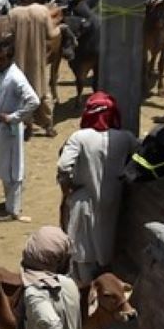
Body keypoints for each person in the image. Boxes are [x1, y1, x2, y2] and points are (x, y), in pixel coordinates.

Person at [56, 92, 135, 283]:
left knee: (82, 252)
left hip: (83, 200)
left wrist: (69, 187)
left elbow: (63, 167)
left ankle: (83, 293)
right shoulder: (125, 138)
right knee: (105, 248)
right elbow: (140, 155)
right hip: (112, 202)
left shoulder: (79, 137)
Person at [0, 38, 41, 219]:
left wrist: (13, 118)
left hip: (10, 130)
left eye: (1, 59)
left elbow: (34, 100)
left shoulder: (15, 77)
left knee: (14, 169)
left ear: (10, 59)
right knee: (4, 167)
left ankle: (13, 210)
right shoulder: (1, 74)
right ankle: (8, 202)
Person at [3, 0, 57, 137]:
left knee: (22, 95)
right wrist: (60, 28)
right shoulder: (42, 11)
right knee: (42, 92)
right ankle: (48, 125)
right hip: (38, 61)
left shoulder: (13, 13)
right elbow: (51, 34)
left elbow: (6, 37)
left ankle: (28, 126)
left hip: (19, 63)